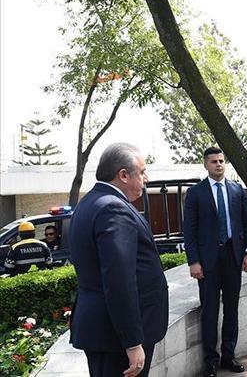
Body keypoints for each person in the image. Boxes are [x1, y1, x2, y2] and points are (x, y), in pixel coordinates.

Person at [68, 143, 168, 377]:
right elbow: (119, 280)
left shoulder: (90, 202)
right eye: (142, 172)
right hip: (116, 339)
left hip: (104, 332)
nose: (147, 179)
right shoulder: (113, 209)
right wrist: (132, 342)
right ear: (123, 175)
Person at [183, 147, 247, 377]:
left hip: (234, 259)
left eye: (222, 161)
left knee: (232, 310)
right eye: (213, 161)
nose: (218, 164)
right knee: (210, 312)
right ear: (205, 165)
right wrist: (193, 261)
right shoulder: (196, 193)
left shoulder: (237, 190)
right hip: (207, 263)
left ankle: (228, 356)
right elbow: (190, 230)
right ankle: (210, 362)